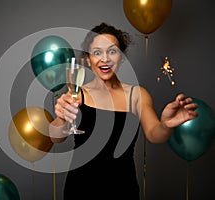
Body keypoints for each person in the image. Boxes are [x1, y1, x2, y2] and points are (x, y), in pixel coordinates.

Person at [49, 22, 198, 199]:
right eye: (97, 53)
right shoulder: (78, 94)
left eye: (112, 51)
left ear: (121, 57)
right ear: (88, 60)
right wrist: (60, 118)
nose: (105, 59)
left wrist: (166, 125)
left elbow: (154, 134)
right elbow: (55, 137)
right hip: (80, 188)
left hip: (123, 188)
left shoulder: (136, 95)